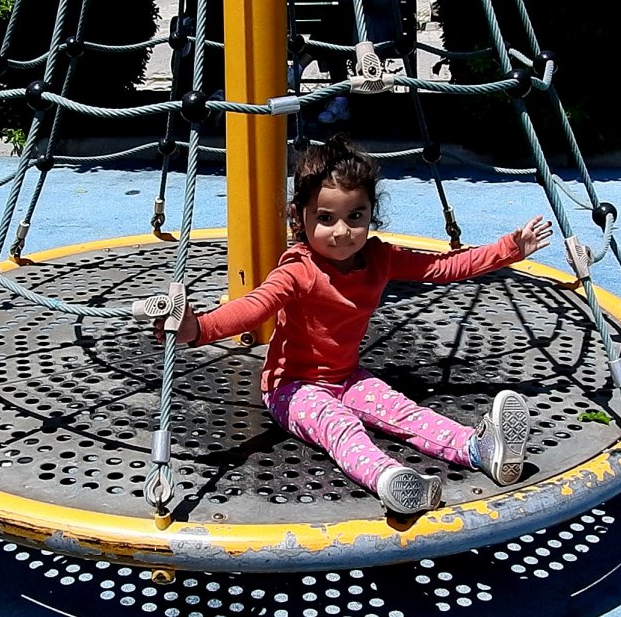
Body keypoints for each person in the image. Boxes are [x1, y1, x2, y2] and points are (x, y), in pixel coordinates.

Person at [153, 135, 553, 515]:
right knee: (338, 425)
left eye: (355, 216)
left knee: (402, 411)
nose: (342, 232)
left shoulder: (380, 258)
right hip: (291, 387)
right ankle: (390, 479)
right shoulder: (298, 270)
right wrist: (198, 328)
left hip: (346, 377)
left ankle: (478, 449)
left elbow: (443, 267)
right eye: (325, 218)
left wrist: (510, 248)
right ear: (300, 217)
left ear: (371, 214)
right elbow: (255, 307)